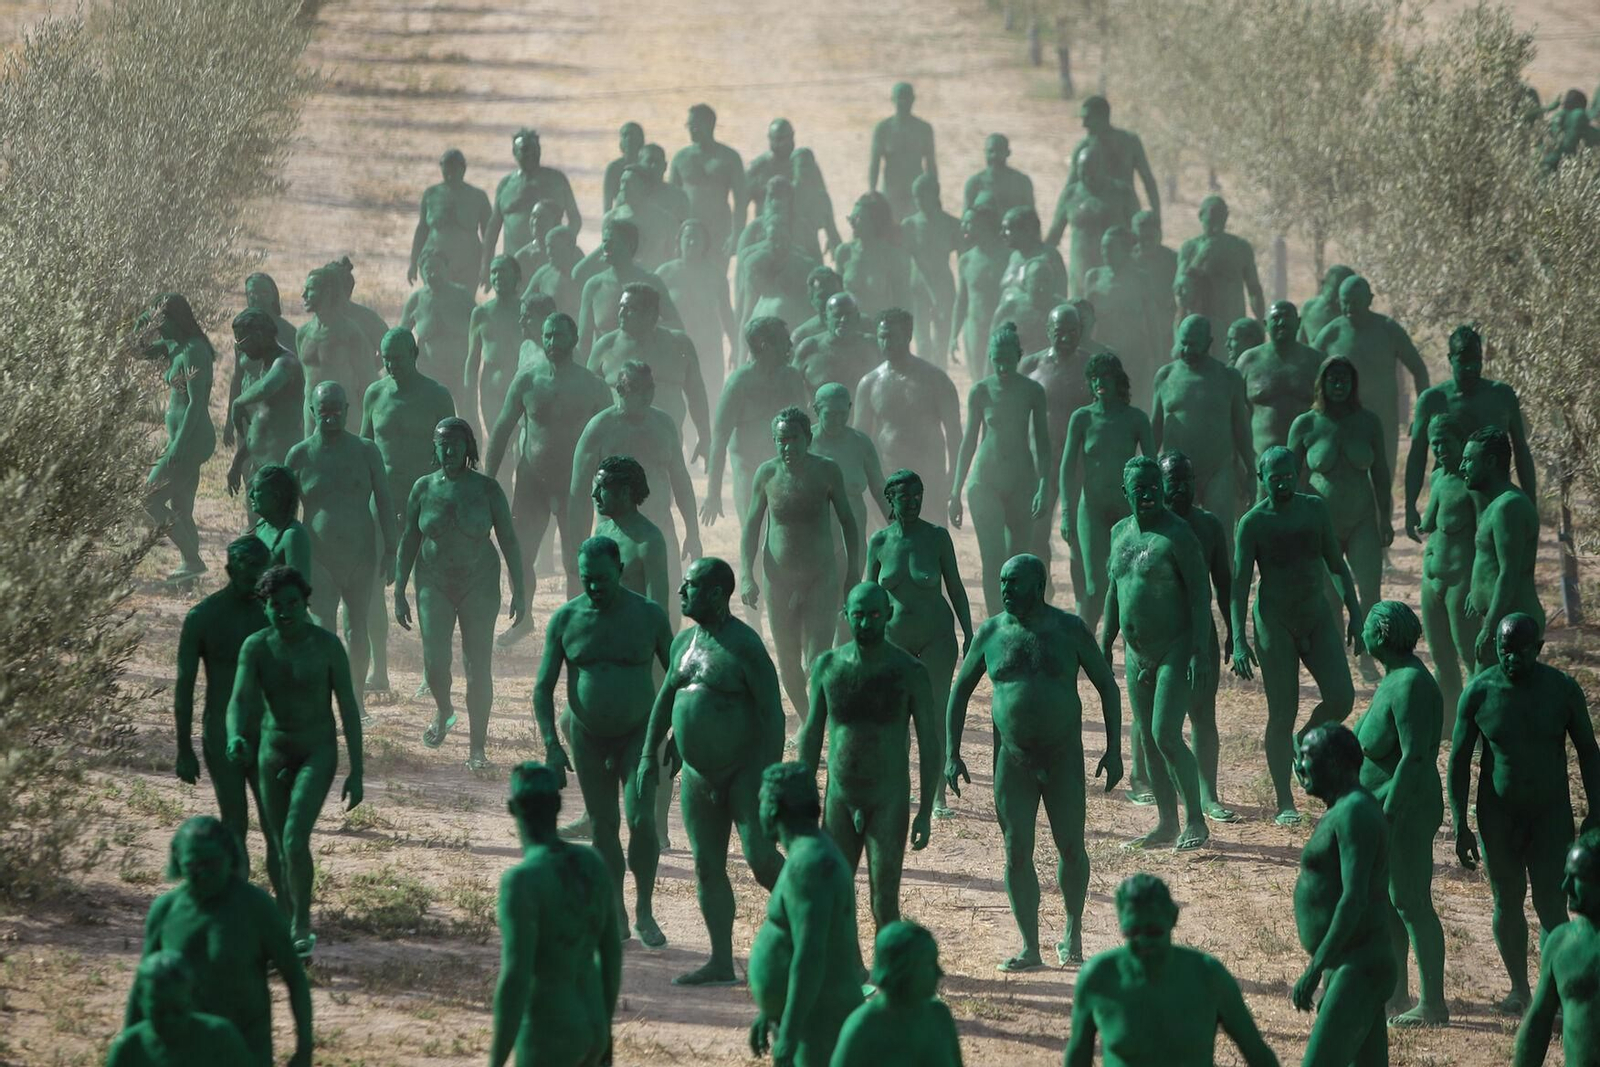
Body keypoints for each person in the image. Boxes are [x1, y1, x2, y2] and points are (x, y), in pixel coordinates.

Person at [946, 554, 1123, 969]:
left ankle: (1073, 933)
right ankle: (1030, 946)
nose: (1005, 590)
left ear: (1039, 586)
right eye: (1002, 582)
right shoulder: (990, 633)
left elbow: (1108, 688)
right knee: (1016, 851)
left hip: (1063, 757)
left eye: (1014, 583)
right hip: (1013, 760)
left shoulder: (1069, 629)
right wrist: (952, 754)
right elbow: (958, 695)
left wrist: (1113, 750)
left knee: (1071, 846)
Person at [635, 558, 785, 986]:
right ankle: (721, 960)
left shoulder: (745, 646)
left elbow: (772, 716)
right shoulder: (684, 643)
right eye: (682, 584)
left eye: (692, 585)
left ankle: (821, 923)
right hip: (699, 777)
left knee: (760, 859)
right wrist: (650, 753)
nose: (682, 592)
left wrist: (770, 780)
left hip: (745, 771)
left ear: (718, 594)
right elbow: (665, 700)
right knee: (706, 866)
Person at [1450, 612, 1600, 1013]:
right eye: (1504, 651)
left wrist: (1597, 809)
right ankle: (1519, 988)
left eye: (1520, 652)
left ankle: (1555, 993)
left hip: (1550, 814)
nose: (1512, 659)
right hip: (1498, 816)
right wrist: (1460, 823)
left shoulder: (1562, 690)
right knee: (1507, 898)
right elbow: (1459, 760)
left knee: (1552, 902)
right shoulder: (1480, 692)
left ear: (1539, 649)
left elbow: (1589, 752)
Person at [532, 536, 674, 947]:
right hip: (586, 738)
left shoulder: (648, 616)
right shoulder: (566, 619)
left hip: (639, 735)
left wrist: (677, 730)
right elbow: (542, 689)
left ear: (621, 572)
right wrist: (551, 746)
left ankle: (645, 908)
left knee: (641, 820)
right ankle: (616, 909)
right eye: (586, 579)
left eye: (602, 579)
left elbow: (677, 677)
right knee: (604, 828)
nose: (594, 587)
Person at [225, 565, 363, 958]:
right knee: (276, 844)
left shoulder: (327, 646)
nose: (284, 612)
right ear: (263, 607)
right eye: (275, 605)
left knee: (293, 836)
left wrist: (357, 770)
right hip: (272, 750)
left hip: (317, 751)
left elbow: (348, 709)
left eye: (292, 604)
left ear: (306, 604)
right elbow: (239, 700)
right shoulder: (256, 646)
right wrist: (236, 735)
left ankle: (302, 923)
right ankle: (283, 920)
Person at [1231, 447, 1360, 826]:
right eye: (1275, 477)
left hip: (1316, 614)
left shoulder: (1314, 509)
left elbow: (1336, 564)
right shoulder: (1252, 523)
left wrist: (1354, 609)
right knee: (1281, 711)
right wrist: (1239, 639)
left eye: (1289, 474)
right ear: (1262, 479)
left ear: (1297, 473)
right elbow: (1239, 585)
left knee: (1341, 697)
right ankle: (1284, 800)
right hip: (1275, 622)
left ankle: (1305, 738)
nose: (1283, 482)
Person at [798, 582, 938, 931]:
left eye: (874, 615)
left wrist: (924, 811)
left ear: (889, 614)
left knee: (884, 900)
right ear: (845, 616)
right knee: (835, 894)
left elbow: (929, 742)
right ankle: (850, 972)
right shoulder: (828, 666)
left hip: (887, 799)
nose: (865, 624)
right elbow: (812, 733)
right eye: (857, 616)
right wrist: (803, 795)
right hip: (839, 797)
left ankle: (888, 977)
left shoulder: (909, 673)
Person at [395, 418, 525, 769]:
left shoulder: (487, 489)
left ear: (469, 448)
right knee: (435, 663)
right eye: (442, 444)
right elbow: (408, 539)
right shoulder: (422, 489)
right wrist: (398, 591)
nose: (449, 450)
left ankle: (477, 750)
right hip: (433, 581)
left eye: (455, 443)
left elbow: (510, 541)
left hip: (478, 582)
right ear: (434, 448)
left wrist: (521, 590)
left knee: (477, 665)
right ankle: (444, 710)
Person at [128, 817, 311, 1067]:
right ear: (177, 861)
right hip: (182, 1051)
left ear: (231, 857)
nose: (203, 873)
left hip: (247, 1049)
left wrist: (304, 1049)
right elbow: (144, 985)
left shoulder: (256, 908)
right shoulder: (166, 910)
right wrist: (132, 1046)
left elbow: (295, 978)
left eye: (212, 863)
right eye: (194, 865)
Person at [1102, 456, 1211, 851]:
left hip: (1175, 649)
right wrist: (1105, 643)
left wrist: (1199, 652)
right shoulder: (1119, 533)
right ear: (1125, 492)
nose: (1147, 494)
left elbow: (1201, 596)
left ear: (1161, 489)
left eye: (1153, 486)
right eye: (1139, 488)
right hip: (1136, 653)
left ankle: (1196, 820)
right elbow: (1114, 592)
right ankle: (1167, 822)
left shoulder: (1178, 535)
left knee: (1166, 733)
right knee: (1148, 739)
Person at [485, 308, 616, 626]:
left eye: (559, 335)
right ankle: (523, 618)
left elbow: (611, 438)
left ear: (574, 339)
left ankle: (576, 624)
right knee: (519, 555)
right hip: (532, 482)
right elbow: (502, 430)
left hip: (575, 485)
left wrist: (608, 485)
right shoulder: (528, 378)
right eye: (547, 335)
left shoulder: (593, 386)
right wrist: (486, 481)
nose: (553, 341)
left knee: (576, 560)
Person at [1064, 874, 1278, 1067]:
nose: (1144, 942)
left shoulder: (1208, 977)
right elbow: (1077, 1057)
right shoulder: (1100, 978)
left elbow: (1258, 1054)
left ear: (1173, 918)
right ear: (1121, 925)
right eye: (1133, 932)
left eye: (1154, 931)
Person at [489, 762, 621, 1067]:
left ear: (513, 809)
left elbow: (516, 977)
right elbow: (611, 955)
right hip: (593, 1025)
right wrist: (605, 1030)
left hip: (549, 1032)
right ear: (559, 805)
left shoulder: (522, 881)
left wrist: (495, 1061)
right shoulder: (592, 863)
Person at [1355, 601, 1448, 1027]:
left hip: (1405, 808)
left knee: (1411, 902)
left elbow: (1413, 759)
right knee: (1392, 903)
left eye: (1369, 627)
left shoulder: (1411, 684)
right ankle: (1396, 993)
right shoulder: (1395, 678)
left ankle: (1433, 1004)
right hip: (1387, 807)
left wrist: (1387, 814)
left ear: (1383, 634)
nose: (1363, 632)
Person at [173, 536, 280, 893]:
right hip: (220, 733)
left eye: (261, 570)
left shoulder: (277, 615)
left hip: (269, 732)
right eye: (247, 570)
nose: (255, 578)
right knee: (234, 823)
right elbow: (185, 687)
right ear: (229, 570)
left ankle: (287, 913)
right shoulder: (203, 617)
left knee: (275, 826)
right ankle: (239, 910)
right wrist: (183, 749)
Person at [742, 406, 861, 725]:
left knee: (818, 657)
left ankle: (817, 720)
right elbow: (752, 527)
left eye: (794, 439)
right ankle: (811, 722)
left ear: (808, 438)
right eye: (781, 440)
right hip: (778, 579)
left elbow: (849, 523)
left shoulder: (826, 471)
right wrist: (746, 576)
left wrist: (853, 575)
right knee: (788, 660)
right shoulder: (766, 474)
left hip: (821, 576)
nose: (787, 447)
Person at [284, 382, 396, 713]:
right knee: (323, 630)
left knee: (356, 627)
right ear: (312, 412)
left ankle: (356, 701)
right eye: (324, 412)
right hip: (319, 559)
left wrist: (391, 550)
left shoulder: (366, 451)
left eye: (337, 410)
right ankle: (322, 702)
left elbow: (385, 503)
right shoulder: (300, 455)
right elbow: (285, 514)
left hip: (362, 556)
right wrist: (289, 560)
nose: (331, 417)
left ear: (348, 410)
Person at [1291, 724, 1397, 1067]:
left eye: (1307, 758)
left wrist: (1314, 968)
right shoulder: (1342, 807)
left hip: (1359, 965)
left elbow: (1354, 898)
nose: (1300, 767)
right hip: (1350, 962)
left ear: (1335, 763)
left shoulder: (1354, 813)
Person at [748, 763, 866, 1067]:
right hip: (809, 1017)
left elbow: (810, 955)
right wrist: (773, 1010)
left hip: (819, 1024)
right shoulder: (807, 855)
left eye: (760, 800)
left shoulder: (809, 866)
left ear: (773, 808)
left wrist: (789, 1032)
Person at [570, 361, 702, 630]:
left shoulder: (663, 424)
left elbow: (681, 480)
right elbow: (577, 491)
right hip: (613, 536)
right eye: (636, 389)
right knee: (614, 615)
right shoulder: (599, 428)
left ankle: (660, 670)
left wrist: (693, 532)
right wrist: (577, 545)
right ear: (620, 389)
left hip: (660, 530)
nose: (645, 396)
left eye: (649, 389)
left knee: (666, 612)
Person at [359, 327, 456, 694]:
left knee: (428, 589)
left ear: (414, 355)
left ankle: (431, 676)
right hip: (380, 501)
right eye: (385, 359)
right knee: (371, 586)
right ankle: (378, 671)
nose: (390, 365)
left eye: (397, 358)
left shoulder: (437, 396)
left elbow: (454, 455)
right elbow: (365, 449)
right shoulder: (375, 394)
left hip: (425, 503)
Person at [1288, 356, 1392, 682]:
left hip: (1363, 520)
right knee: (1330, 597)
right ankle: (1337, 663)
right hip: (1323, 525)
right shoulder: (1306, 424)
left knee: (1369, 592)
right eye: (1332, 378)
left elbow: (1382, 475)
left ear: (1353, 383)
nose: (1338, 383)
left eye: (1344, 378)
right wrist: (1291, 521)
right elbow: (1288, 475)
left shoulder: (1368, 422)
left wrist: (1386, 518)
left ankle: (1368, 657)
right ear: (1321, 382)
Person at [948, 323, 1050, 616]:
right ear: (990, 357)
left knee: (1019, 558)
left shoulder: (1032, 391)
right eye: (997, 359)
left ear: (1018, 356)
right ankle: (996, 622)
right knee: (992, 560)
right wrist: (955, 491)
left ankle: (1019, 617)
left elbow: (1042, 442)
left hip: (1022, 480)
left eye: (1008, 358)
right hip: (985, 482)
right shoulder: (980, 391)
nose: (1003, 365)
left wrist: (1044, 485)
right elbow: (968, 443)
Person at [1159, 450, 1236, 822]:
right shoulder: (1145, 526)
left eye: (1187, 481)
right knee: (1153, 721)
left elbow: (1224, 584)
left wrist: (1234, 632)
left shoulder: (1208, 526)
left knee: (1203, 714)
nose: (1181, 489)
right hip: (1158, 636)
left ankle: (1210, 793)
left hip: (1198, 633)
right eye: (1173, 481)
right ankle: (1151, 785)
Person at [1405, 323, 1537, 535]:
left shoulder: (1502, 396)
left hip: (1495, 498)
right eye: (1463, 360)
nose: (1471, 367)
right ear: (1450, 359)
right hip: (1451, 502)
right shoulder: (1433, 400)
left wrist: (1530, 503)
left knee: (1496, 563)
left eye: (1476, 361)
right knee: (1449, 563)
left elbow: (1521, 449)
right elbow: (1417, 455)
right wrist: (1410, 505)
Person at [1058, 352, 1154, 633]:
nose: (1100, 382)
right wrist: (1066, 512)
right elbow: (1066, 468)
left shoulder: (1136, 419)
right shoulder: (1082, 418)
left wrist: (1153, 511)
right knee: (1093, 584)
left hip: (1128, 511)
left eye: (1106, 377)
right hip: (1092, 509)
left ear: (1118, 381)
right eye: (1095, 378)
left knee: (1128, 578)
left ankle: (1127, 643)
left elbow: (1151, 466)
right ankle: (1085, 643)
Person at [1151, 315, 1253, 557]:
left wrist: (1250, 469)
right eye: (1183, 342)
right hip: (1174, 473)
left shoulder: (1229, 378)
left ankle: (1228, 594)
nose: (1187, 349)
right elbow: (1155, 428)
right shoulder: (1165, 377)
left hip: (1218, 470)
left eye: (1194, 344)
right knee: (1172, 539)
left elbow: (1241, 428)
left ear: (1209, 342)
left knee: (1221, 538)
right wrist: (1147, 467)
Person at [1311, 274, 1429, 475]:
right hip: (1342, 418)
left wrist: (1421, 414)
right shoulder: (1331, 333)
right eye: (1345, 302)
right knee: (1346, 476)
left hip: (1383, 418)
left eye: (1355, 302)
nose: (1349, 308)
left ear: (1370, 299)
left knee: (1383, 473)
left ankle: (1384, 507)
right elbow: (1310, 373)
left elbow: (1418, 369)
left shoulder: (1388, 330)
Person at [702, 317, 810, 535]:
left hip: (787, 469)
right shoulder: (739, 383)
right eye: (784, 341)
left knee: (788, 536)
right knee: (755, 534)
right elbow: (720, 438)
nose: (790, 346)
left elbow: (806, 428)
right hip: (748, 471)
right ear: (765, 345)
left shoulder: (791, 377)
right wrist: (713, 493)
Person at [855, 308, 963, 518]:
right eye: (882, 337)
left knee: (931, 538)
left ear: (908, 336)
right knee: (891, 542)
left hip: (929, 476)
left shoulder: (935, 380)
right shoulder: (870, 383)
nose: (886, 343)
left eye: (892, 337)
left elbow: (954, 433)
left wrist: (954, 477)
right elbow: (860, 437)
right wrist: (863, 478)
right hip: (887, 475)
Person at [138, 293, 215, 583]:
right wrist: (142, 323)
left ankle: (193, 561)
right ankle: (188, 575)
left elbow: (196, 402)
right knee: (182, 507)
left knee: (149, 499)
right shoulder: (174, 346)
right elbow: (136, 350)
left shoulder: (194, 349)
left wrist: (179, 445)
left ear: (175, 318)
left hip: (192, 438)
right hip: (184, 438)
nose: (158, 325)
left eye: (161, 318)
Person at [1019, 304, 1093, 602]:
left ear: (1081, 331)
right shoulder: (1030, 366)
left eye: (1072, 331)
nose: (1065, 338)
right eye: (1059, 331)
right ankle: (1044, 592)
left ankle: (1082, 601)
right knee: (1037, 534)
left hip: (1079, 464)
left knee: (1077, 535)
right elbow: (1014, 414)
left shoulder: (1091, 366)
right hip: (1041, 465)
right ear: (1048, 331)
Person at [588, 281, 709, 458]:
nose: (622, 313)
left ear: (651, 314)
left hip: (666, 446)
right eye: (621, 306)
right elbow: (588, 398)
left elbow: (696, 393)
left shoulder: (679, 345)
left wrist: (705, 436)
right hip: (618, 447)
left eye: (630, 308)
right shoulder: (606, 346)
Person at [1514, 828, 1600, 1066]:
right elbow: (1537, 1027)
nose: (1565, 886)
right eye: (1566, 876)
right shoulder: (1561, 944)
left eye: (1577, 878)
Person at [1463, 426, 1544, 667]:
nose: (1461, 467)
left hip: (1513, 627)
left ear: (1490, 462)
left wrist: (1489, 630)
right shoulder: (1497, 504)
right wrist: (1477, 592)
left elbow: (1509, 573)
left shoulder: (1509, 508)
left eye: (1468, 460)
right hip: (1501, 620)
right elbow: (1493, 563)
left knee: (1491, 698)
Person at [1413, 413, 1476, 722]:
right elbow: (1428, 524)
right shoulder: (1438, 478)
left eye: (1445, 442)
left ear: (1461, 441)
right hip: (1431, 579)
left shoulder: (1473, 484)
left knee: (1471, 658)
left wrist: (1478, 586)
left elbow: (1486, 539)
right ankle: (1449, 722)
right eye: (1434, 443)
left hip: (1460, 580)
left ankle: (1480, 726)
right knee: (1441, 659)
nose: (1439, 449)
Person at [830, 921, 963, 1067]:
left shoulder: (939, 1015)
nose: (939, 973)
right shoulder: (863, 1028)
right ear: (902, 970)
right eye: (929, 964)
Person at [109, 951, 253, 1067]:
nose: (169, 1019)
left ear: (193, 998)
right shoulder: (129, 1049)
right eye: (159, 1012)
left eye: (178, 1010)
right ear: (140, 999)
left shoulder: (221, 1039)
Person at [480, 127, 582, 288]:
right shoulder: (506, 185)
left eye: (536, 149)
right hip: (514, 264)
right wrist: (486, 265)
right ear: (514, 152)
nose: (531, 154)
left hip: (552, 261)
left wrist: (565, 247)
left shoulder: (556, 180)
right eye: (525, 149)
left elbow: (575, 218)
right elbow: (493, 228)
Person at [1051, 94, 1160, 243]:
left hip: (1124, 212)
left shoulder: (1129, 142)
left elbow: (1148, 181)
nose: (1084, 124)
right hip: (1092, 217)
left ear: (1103, 116)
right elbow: (1070, 190)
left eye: (1088, 118)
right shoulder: (1083, 149)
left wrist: (1156, 218)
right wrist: (1056, 230)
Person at [574, 217, 682, 361]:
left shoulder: (650, 282)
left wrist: (643, 326)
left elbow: (676, 325)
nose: (605, 247)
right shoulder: (594, 286)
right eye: (604, 242)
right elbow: (584, 342)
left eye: (612, 242)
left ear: (629, 245)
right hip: (606, 372)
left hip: (643, 370)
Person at [1233, 300, 1322, 466]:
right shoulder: (1249, 361)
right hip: (1261, 461)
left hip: (1307, 461)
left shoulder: (1316, 361)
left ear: (1299, 322)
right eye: (1276, 317)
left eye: (1287, 317)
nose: (1281, 322)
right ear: (1266, 324)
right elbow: (1234, 413)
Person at [226, 308, 304, 497]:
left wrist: (238, 402)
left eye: (242, 340)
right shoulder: (266, 365)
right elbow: (262, 419)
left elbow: (265, 388)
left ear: (260, 335)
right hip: (261, 461)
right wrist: (238, 460)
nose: (240, 347)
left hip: (280, 463)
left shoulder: (286, 362)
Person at [659, 218, 738, 400]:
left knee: (709, 395)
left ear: (705, 244)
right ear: (679, 241)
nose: (692, 242)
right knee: (674, 397)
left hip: (708, 346)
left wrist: (734, 346)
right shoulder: (665, 273)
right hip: (673, 345)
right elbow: (651, 311)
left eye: (698, 239)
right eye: (688, 237)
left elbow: (727, 314)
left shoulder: (716, 275)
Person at [400, 249, 478, 434]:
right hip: (428, 372)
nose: (431, 272)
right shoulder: (416, 299)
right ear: (421, 272)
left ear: (447, 268)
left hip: (460, 371)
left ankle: (474, 460)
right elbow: (401, 336)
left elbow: (481, 326)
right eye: (426, 268)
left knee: (468, 416)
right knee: (427, 417)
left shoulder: (462, 296)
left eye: (436, 267)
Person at [296, 262, 376, 437]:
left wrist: (368, 424)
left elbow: (368, 380)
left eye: (310, 290)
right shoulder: (302, 334)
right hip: (311, 414)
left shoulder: (349, 333)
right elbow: (305, 378)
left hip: (345, 415)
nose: (303, 295)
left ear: (327, 292)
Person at [1083, 225, 1161, 404]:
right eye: (1103, 247)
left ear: (1125, 250)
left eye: (1110, 248)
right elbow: (1084, 318)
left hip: (1134, 353)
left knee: (1134, 401)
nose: (1105, 252)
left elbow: (1152, 322)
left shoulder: (1141, 279)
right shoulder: (1094, 277)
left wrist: (1156, 358)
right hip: (1103, 352)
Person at [1173, 196, 1264, 339]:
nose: (1216, 224)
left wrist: (1260, 322)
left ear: (1226, 217)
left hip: (1232, 323)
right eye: (1211, 217)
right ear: (1200, 216)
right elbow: (1179, 290)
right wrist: (1200, 258)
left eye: (1220, 217)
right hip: (1200, 324)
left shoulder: (1240, 247)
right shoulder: (1190, 248)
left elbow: (1254, 289)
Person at [464, 255, 525, 462]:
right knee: (500, 448)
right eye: (493, 271)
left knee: (523, 449)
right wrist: (468, 398)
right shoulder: (481, 314)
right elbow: (472, 361)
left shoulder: (526, 311)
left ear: (516, 275)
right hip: (492, 392)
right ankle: (504, 492)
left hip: (524, 392)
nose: (497, 276)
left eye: (503, 270)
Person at [669, 103, 747, 260]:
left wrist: (736, 235)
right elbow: (671, 201)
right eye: (689, 125)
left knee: (716, 278)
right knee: (689, 278)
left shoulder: (729, 157)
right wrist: (672, 236)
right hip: (688, 231)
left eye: (696, 125)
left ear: (711, 124)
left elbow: (741, 201)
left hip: (719, 231)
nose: (692, 129)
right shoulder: (680, 158)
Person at [408, 148, 491, 292]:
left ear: (463, 169)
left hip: (468, 264)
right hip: (435, 262)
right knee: (435, 302)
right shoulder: (431, 194)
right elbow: (422, 229)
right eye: (446, 171)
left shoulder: (478, 196)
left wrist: (487, 267)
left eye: (454, 170)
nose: (450, 176)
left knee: (464, 305)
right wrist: (413, 263)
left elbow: (489, 236)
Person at [900, 174, 961, 365]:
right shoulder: (909, 225)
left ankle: (941, 385)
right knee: (923, 343)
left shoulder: (952, 224)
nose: (918, 201)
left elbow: (963, 261)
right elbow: (910, 261)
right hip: (918, 287)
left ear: (934, 195)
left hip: (944, 286)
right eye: (915, 196)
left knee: (941, 343)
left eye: (922, 196)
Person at [835, 192, 913, 322]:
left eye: (858, 219)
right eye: (851, 218)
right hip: (849, 331)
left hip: (879, 332)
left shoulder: (892, 256)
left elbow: (904, 302)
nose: (852, 223)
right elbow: (835, 297)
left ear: (875, 222)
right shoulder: (844, 253)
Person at [948, 206, 1008, 368]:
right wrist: (953, 336)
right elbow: (961, 301)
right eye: (963, 222)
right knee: (979, 382)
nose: (963, 227)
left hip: (1002, 329)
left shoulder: (1008, 256)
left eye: (969, 223)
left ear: (985, 225)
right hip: (975, 330)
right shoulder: (966, 260)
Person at [869, 81, 938, 220]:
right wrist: (872, 191)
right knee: (892, 231)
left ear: (913, 99)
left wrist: (934, 192)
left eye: (907, 97)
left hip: (916, 192)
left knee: (914, 230)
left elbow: (931, 164)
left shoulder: (923, 129)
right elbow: (875, 163)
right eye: (900, 97)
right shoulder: (883, 129)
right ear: (892, 100)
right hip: (891, 191)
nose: (903, 102)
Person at [793, 292, 877, 400]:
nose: (843, 320)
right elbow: (790, 388)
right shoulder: (809, 348)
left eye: (848, 315)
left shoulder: (871, 345)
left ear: (857, 318)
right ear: (825, 318)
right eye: (838, 315)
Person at [247, 464, 310, 576]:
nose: (250, 495)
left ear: (275, 497)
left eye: (256, 490)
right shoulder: (262, 525)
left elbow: (299, 589)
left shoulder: (293, 536)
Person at [998, 205, 1068, 302]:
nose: (1002, 234)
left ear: (1027, 230)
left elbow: (1060, 299)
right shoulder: (1014, 256)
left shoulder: (1049, 258)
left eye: (1007, 229)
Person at [988, 258, 1055, 357]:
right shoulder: (1010, 310)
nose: (1042, 288)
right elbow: (993, 353)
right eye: (1037, 282)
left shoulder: (1061, 311)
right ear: (1025, 284)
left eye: (1046, 281)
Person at [1131, 210, 1177, 347]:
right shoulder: (1128, 260)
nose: (1144, 243)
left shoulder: (1172, 259)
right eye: (1140, 239)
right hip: (1136, 326)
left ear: (1159, 234)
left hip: (1165, 323)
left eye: (1149, 238)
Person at [962, 133, 1034, 218]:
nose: (994, 155)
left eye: (999, 151)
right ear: (984, 152)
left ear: (1008, 153)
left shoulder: (1021, 182)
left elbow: (1032, 219)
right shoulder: (974, 183)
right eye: (990, 151)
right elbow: (966, 220)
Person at [791, 147, 842, 262]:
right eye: (802, 166)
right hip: (789, 255)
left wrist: (842, 256)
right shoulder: (786, 195)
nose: (806, 170)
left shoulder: (822, 198)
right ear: (793, 168)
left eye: (809, 166)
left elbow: (832, 232)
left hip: (813, 254)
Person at [1298, 264, 1355, 345]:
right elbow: (1299, 344)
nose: (1338, 301)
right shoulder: (1310, 308)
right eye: (1335, 292)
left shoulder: (1355, 316)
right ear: (1323, 285)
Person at [791, 265, 844, 349]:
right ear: (811, 299)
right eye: (822, 296)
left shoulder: (862, 325)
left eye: (834, 294)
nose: (830, 300)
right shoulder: (802, 336)